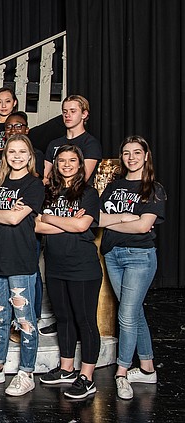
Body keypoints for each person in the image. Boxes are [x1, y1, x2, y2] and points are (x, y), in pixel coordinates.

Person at [0, 134, 44, 397]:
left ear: (29, 156)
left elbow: (14, 219)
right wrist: (1, 214)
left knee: (25, 320)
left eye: (21, 152)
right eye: (11, 151)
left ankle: (26, 372)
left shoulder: (34, 185)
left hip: (20, 261)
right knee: (0, 317)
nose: (16, 156)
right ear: (5, 155)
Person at [99, 136, 166, 400]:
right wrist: (126, 217)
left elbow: (142, 227)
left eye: (137, 152)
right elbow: (97, 217)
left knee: (126, 316)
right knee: (133, 313)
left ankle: (121, 373)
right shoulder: (113, 186)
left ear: (146, 156)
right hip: (113, 255)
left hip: (139, 256)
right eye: (126, 153)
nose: (131, 157)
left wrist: (113, 222)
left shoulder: (154, 188)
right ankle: (148, 369)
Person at [35, 145, 102, 399]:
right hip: (55, 266)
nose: (66, 165)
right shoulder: (48, 193)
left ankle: (87, 377)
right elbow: (36, 227)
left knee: (84, 321)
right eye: (61, 160)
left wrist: (50, 219)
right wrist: (68, 223)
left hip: (83, 268)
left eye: (71, 160)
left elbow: (82, 225)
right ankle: (66, 369)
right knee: (62, 318)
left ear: (80, 163)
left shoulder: (88, 193)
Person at [43, 95, 102, 185]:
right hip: (53, 193)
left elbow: (82, 178)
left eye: (73, 111)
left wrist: (54, 175)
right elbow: (45, 177)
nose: (67, 115)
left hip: (78, 194)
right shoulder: (54, 143)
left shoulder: (90, 143)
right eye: (64, 112)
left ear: (84, 114)